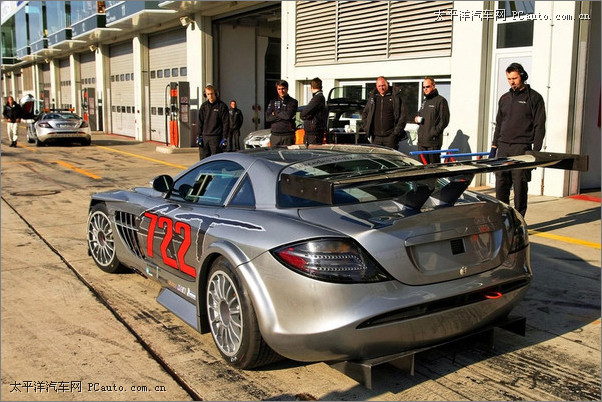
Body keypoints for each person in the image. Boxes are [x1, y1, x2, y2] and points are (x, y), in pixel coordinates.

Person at [491, 62, 546, 217]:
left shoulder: (535, 98)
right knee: (501, 185)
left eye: (514, 78)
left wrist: (535, 152)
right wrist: (494, 147)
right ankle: (502, 218)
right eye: (509, 79)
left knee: (520, 186)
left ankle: (519, 220)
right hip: (503, 147)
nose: (512, 82)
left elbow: (539, 126)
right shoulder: (504, 98)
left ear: (522, 76)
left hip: (521, 148)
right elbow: (499, 124)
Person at [362, 76, 407, 149]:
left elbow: (403, 115)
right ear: (376, 86)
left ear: (387, 84)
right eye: (379, 86)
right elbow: (365, 113)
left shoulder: (395, 96)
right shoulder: (373, 97)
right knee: (376, 159)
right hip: (376, 137)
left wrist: (396, 133)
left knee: (391, 159)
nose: (381, 88)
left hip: (390, 137)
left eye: (383, 85)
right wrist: (366, 127)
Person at [414, 77, 450, 164]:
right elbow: (420, 114)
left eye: (428, 87)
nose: (425, 89)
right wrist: (416, 118)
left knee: (434, 168)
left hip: (433, 142)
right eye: (424, 87)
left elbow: (444, 121)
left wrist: (433, 133)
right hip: (421, 142)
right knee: (421, 168)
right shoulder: (425, 101)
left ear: (434, 86)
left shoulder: (441, 100)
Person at [198, 85, 229, 160]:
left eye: (212, 94)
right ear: (205, 94)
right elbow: (200, 122)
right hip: (205, 137)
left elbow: (226, 123)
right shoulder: (204, 106)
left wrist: (224, 138)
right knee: (203, 160)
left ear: (216, 94)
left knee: (217, 160)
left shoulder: (222, 106)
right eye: (208, 94)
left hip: (216, 138)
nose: (210, 96)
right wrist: (199, 136)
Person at [266, 80, 298, 148]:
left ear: (287, 89)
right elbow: (268, 118)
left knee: (288, 158)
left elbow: (287, 116)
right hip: (275, 136)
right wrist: (281, 114)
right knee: (274, 157)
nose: (281, 91)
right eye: (279, 89)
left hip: (287, 136)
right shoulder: (272, 102)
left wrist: (275, 113)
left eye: (283, 88)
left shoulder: (293, 102)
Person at [300, 77, 327, 145]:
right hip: (314, 132)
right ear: (321, 87)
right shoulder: (320, 97)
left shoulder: (317, 98)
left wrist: (305, 116)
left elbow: (304, 113)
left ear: (311, 87)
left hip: (313, 133)